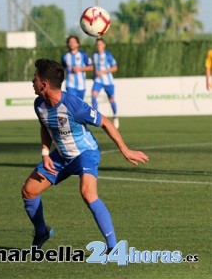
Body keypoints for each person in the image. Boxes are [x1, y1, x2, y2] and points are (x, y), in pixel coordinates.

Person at [22, 58, 149, 251]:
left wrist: (125, 150)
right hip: (61, 156)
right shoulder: (39, 104)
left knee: (88, 193)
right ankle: (42, 232)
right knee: (29, 191)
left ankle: (113, 248)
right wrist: (45, 153)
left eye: (35, 78)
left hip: (85, 153)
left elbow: (105, 122)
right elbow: (45, 126)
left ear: (44, 85)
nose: (32, 81)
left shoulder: (74, 106)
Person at [91, 39, 119, 128]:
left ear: (104, 45)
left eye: (100, 44)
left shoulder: (108, 55)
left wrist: (103, 72)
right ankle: (96, 117)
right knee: (93, 96)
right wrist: (93, 75)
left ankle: (115, 116)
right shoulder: (94, 55)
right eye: (97, 45)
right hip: (98, 81)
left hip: (108, 81)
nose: (99, 46)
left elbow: (115, 68)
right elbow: (95, 67)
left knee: (111, 99)